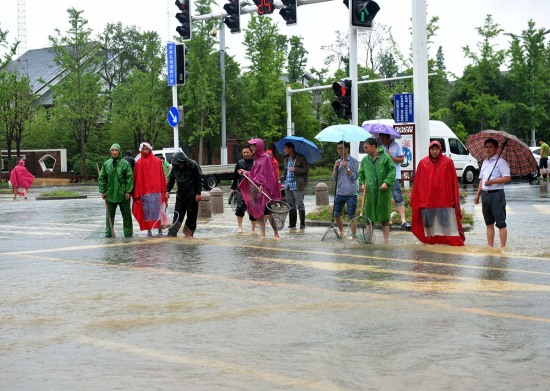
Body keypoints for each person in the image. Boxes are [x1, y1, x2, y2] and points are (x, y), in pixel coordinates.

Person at [410, 140, 465, 246]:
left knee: (446, 224)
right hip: (427, 201)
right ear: (429, 150)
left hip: (444, 201)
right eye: (432, 149)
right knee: (428, 224)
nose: (434, 151)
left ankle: (447, 242)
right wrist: (417, 198)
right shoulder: (423, 163)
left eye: (436, 149)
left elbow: (453, 181)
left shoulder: (448, 162)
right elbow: (418, 182)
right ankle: (430, 242)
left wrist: (454, 199)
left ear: (440, 149)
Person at [239, 138, 282, 240]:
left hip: (265, 191)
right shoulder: (256, 159)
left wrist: (263, 184)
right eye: (251, 146)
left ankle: (276, 234)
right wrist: (245, 172)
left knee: (268, 214)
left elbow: (270, 175)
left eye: (254, 146)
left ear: (259, 146)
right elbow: (254, 175)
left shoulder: (266, 158)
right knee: (260, 214)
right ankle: (263, 235)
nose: (252, 148)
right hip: (256, 190)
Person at [474, 138, 511, 248]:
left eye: (490, 147)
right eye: (486, 147)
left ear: (496, 148)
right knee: (488, 223)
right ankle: (490, 247)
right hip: (485, 195)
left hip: (497, 195)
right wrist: (477, 194)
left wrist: (493, 181)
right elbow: (482, 180)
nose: (488, 149)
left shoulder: (501, 162)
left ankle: (503, 247)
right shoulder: (485, 162)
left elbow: (507, 177)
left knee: (500, 223)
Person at [358, 137, 395, 244]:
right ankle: (369, 240)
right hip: (369, 192)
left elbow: (392, 171)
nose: (365, 149)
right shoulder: (365, 160)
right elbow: (361, 174)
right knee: (369, 217)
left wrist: (386, 182)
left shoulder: (386, 158)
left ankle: (386, 241)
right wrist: (362, 184)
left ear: (373, 147)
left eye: (366, 147)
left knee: (384, 217)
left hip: (383, 192)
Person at [98, 143, 134, 238]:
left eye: (116, 150)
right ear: (110, 152)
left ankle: (128, 233)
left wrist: (128, 191)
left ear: (119, 151)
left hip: (123, 195)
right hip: (110, 194)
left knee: (126, 216)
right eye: (113, 150)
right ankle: (109, 233)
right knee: (109, 216)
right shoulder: (106, 164)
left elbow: (129, 179)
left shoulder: (125, 164)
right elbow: (102, 178)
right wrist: (103, 191)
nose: (114, 152)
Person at [132, 142, 168, 237]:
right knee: (147, 212)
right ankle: (149, 231)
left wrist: (165, 190)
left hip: (157, 191)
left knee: (158, 211)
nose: (145, 151)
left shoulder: (157, 162)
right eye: (143, 149)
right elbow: (137, 178)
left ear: (150, 149)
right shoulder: (138, 163)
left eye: (146, 149)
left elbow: (162, 177)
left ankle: (160, 230)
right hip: (144, 192)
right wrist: (136, 193)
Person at [166, 151, 203, 238]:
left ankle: (189, 232)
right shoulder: (174, 167)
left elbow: (199, 179)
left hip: (192, 194)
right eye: (178, 164)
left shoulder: (193, 165)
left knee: (192, 215)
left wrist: (198, 193)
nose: (179, 166)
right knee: (177, 214)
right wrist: (167, 190)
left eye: (180, 164)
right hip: (180, 195)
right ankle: (172, 233)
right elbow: (171, 180)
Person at [379, 133, 411, 229]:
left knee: (397, 196)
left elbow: (401, 160)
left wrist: (391, 157)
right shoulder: (380, 148)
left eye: (384, 137)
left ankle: (403, 220)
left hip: (394, 176)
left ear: (389, 137)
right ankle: (387, 219)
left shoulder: (396, 146)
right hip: (383, 177)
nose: (382, 140)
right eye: (380, 138)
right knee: (385, 197)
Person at [332, 141, 359, 239]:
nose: (339, 150)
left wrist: (346, 168)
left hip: (351, 192)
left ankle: (354, 236)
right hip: (340, 192)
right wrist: (336, 167)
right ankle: (341, 231)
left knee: (351, 215)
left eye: (341, 148)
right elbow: (334, 178)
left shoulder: (354, 161)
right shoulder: (337, 162)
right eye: (338, 148)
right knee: (336, 213)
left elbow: (355, 177)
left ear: (347, 149)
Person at [282, 142, 309, 229]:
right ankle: (292, 224)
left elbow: (306, 169)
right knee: (290, 204)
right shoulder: (286, 158)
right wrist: (282, 178)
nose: (284, 150)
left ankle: (302, 224)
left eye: (285, 148)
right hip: (288, 184)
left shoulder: (300, 157)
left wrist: (296, 169)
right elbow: (286, 171)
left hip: (297, 184)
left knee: (300, 204)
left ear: (290, 148)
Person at [230, 145, 257, 233]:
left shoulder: (255, 162)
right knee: (240, 207)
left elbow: (257, 175)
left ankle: (253, 229)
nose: (245, 154)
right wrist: (233, 188)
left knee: (252, 208)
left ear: (252, 153)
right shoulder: (239, 163)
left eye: (247, 152)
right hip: (241, 188)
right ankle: (240, 227)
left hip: (252, 188)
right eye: (243, 152)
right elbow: (235, 176)